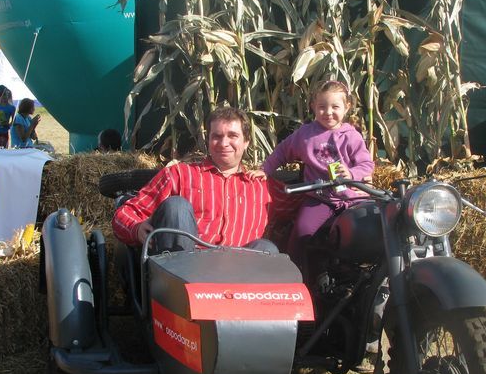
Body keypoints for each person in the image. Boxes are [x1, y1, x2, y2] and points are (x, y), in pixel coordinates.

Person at [112, 106, 280, 253]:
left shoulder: (262, 186)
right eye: (217, 136)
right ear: (208, 140)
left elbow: (302, 203)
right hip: (184, 271)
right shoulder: (179, 174)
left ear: (246, 142)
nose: (224, 143)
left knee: (267, 249)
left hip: (240, 276)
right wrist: (136, 228)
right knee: (177, 206)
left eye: (232, 136)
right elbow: (124, 214)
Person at [248, 80, 374, 267]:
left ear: (347, 107)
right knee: (301, 233)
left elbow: (366, 164)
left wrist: (351, 173)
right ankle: (295, 275)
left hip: (350, 196)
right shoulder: (306, 135)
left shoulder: (351, 136)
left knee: (370, 227)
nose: (328, 112)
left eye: (335, 107)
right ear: (313, 106)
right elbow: (282, 151)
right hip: (319, 197)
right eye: (322, 107)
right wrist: (265, 169)